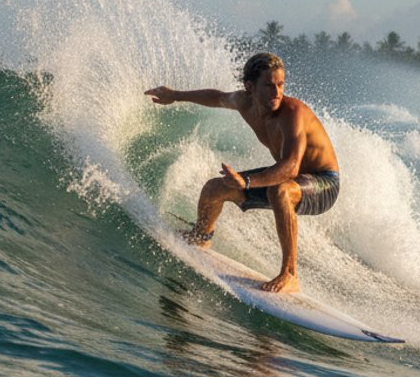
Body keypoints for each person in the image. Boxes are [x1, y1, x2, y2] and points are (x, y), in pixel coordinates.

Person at [144, 53, 340, 293]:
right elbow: (216, 97)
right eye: (268, 85)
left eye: (280, 85)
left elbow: (291, 166)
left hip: (323, 183)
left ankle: (290, 274)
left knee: (280, 191)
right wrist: (175, 96)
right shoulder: (243, 102)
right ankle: (201, 236)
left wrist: (246, 182)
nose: (277, 91)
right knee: (214, 189)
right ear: (250, 87)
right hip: (291, 180)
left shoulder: (293, 113)